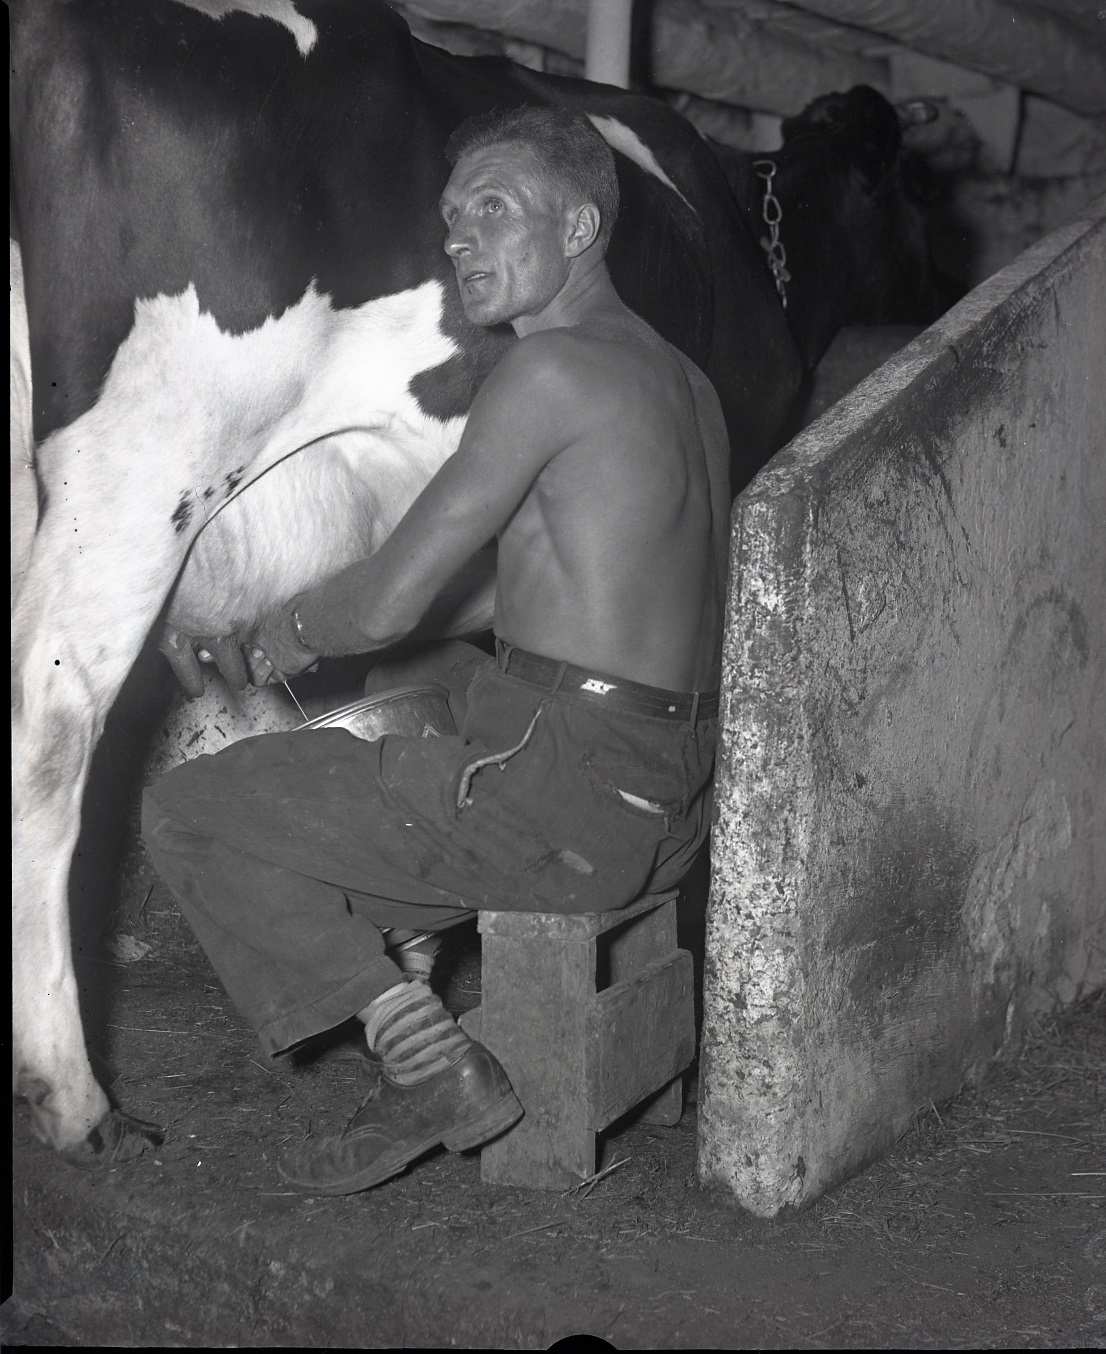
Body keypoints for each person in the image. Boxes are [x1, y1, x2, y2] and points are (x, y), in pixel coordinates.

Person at [143, 105, 730, 1196]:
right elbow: (519, 593)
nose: (459, 240)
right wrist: (357, 647)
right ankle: (410, 955)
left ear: (581, 227)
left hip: (567, 803)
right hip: (669, 799)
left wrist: (265, 638)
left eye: (494, 210)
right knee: (405, 689)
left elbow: (387, 597)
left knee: (192, 812)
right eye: (453, 219)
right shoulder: (678, 381)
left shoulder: (544, 375)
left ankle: (421, 1057)